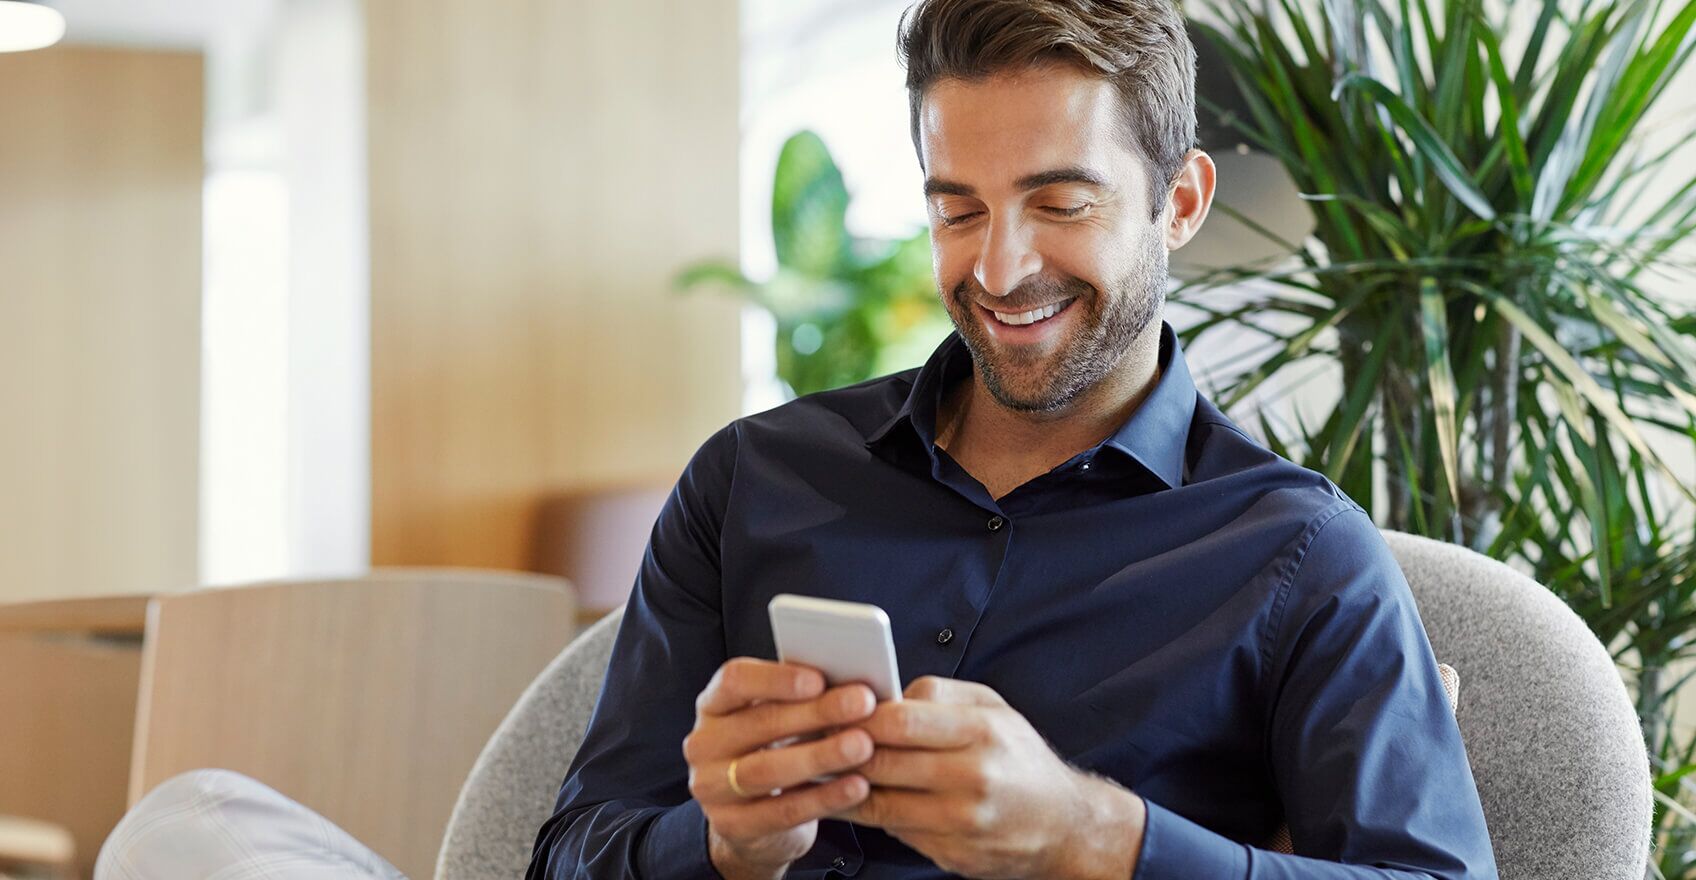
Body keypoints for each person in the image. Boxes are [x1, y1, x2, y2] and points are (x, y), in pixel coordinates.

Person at [527, 0, 1497, 877]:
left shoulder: (1296, 550)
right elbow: (569, 852)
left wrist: (1092, 836)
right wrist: (721, 843)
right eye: (958, 209)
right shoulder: (753, 479)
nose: (997, 268)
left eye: (1061, 204)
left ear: (1182, 203)